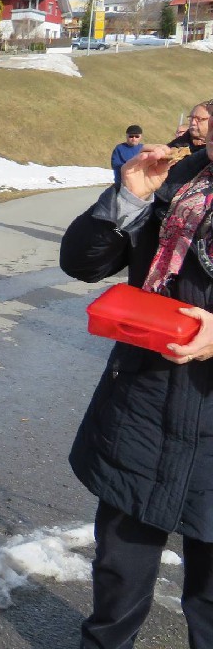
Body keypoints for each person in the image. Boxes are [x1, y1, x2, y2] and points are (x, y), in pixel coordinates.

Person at [60, 124, 213, 648]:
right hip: (143, 410)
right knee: (117, 585)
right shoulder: (174, 184)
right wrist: (128, 197)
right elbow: (82, 263)